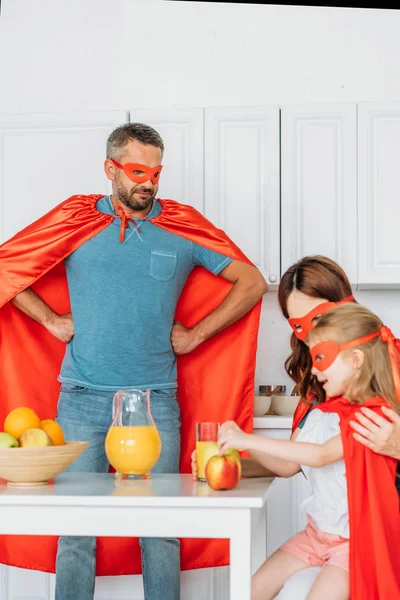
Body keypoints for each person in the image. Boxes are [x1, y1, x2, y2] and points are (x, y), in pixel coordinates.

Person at [0, 123, 267, 600]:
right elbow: (6, 266)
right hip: (80, 397)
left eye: (157, 173)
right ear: (111, 169)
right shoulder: (75, 221)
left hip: (153, 402)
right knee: (74, 529)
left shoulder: (182, 227)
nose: (149, 182)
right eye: (138, 171)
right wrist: (51, 321)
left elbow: (252, 281)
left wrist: (195, 334)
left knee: (161, 527)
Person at [218, 302, 400, 600]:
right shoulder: (322, 412)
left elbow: (319, 455)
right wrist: (239, 447)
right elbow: (290, 461)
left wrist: (247, 441)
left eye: (322, 358)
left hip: (352, 544)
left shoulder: (373, 415)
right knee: (247, 591)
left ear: (356, 360)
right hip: (315, 535)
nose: (314, 369)